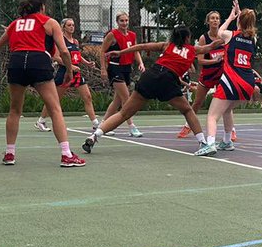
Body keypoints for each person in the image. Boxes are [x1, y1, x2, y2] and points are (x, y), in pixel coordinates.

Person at [80, 22, 230, 155]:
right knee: (187, 110)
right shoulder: (192, 49)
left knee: (124, 113)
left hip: (151, 76)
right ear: (186, 38)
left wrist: (120, 52)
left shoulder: (166, 45)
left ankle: (94, 136)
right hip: (167, 79)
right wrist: (230, 35)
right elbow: (211, 46)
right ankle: (203, 143)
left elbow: (142, 46)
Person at [0, 0, 85, 167]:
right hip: (38, 60)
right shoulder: (49, 22)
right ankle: (66, 154)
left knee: (15, 109)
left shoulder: (15, 24)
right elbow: (63, 51)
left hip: (17, 62)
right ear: (41, 7)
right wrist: (69, 70)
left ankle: (10, 153)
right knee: (55, 109)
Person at [198, 1, 257, 156]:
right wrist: (242, 16)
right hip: (248, 83)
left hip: (231, 81)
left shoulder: (230, 35)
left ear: (239, 21)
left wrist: (231, 16)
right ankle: (227, 140)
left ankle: (210, 143)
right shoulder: (254, 39)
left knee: (212, 115)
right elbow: (246, 28)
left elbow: (219, 32)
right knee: (227, 109)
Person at [35, 17, 99, 133]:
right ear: (63, 27)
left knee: (87, 97)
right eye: (69, 25)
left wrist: (87, 63)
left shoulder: (75, 41)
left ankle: (95, 124)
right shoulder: (60, 40)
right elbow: (56, 57)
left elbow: (77, 56)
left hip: (76, 73)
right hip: (64, 73)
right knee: (54, 100)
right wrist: (70, 66)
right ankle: (41, 120)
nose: (72, 27)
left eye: (73, 25)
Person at [179, 10, 229, 139]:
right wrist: (214, 60)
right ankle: (187, 126)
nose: (215, 20)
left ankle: (230, 131)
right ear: (208, 21)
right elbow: (200, 60)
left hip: (222, 74)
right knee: (197, 103)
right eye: (212, 18)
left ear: (220, 21)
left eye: (217, 18)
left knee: (226, 103)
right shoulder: (203, 38)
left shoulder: (225, 36)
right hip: (208, 74)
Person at [99, 12, 145, 137]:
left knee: (117, 101)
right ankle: (132, 126)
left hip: (126, 69)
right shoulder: (112, 35)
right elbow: (102, 51)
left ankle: (102, 125)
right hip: (115, 68)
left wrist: (141, 63)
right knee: (126, 98)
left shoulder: (132, 35)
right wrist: (103, 69)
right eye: (121, 21)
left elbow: (135, 51)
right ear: (117, 22)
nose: (124, 23)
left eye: (126, 20)